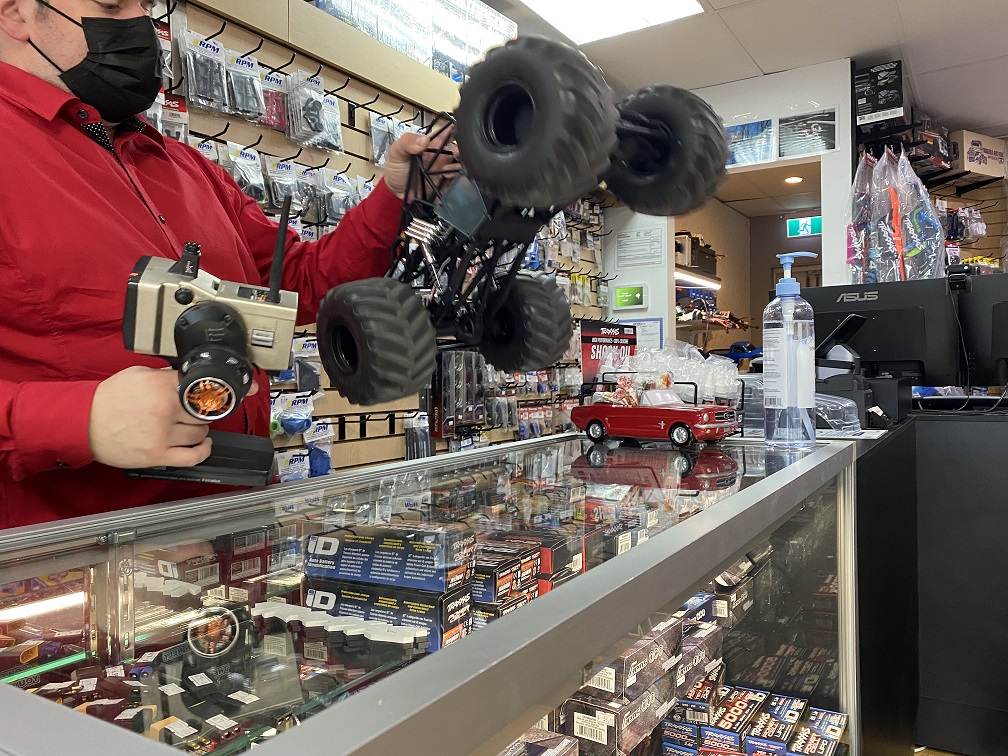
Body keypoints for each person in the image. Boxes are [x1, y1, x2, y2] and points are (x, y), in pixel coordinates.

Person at [0, 0, 437, 528]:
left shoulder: (187, 168)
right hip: (71, 570)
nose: (142, 26)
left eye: (145, 4)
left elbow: (297, 281)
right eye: (113, 4)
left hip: (236, 535)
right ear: (14, 14)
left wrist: (394, 192)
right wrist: (78, 420)